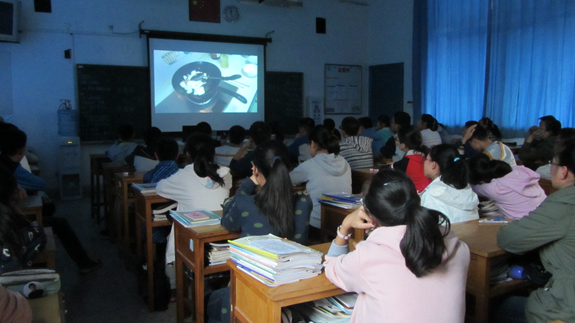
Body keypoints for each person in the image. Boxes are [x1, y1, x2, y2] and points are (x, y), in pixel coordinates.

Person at [323, 170, 470, 322]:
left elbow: (331, 267)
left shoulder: (368, 257)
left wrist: (346, 225)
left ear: (370, 215)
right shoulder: (460, 249)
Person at [209, 140, 312, 323]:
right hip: (289, 286)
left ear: (255, 169)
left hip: (248, 289)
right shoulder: (303, 203)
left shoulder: (245, 203)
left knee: (211, 300)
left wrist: (247, 184)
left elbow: (227, 222)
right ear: (288, 168)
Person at [0, 127, 102, 274]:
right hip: (8, 226)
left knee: (49, 210)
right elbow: (39, 185)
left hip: (8, 221)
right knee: (59, 222)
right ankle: (84, 262)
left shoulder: (4, 165)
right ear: (22, 151)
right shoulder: (10, 168)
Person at [495, 138, 575, 323]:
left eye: (552, 163)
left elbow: (508, 239)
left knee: (504, 306)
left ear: (563, 171)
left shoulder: (564, 204)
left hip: (565, 310)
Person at [156, 133, 232, 264]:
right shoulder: (226, 173)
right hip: (221, 240)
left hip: (192, 242)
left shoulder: (183, 176)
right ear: (213, 153)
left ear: (187, 154)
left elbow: (159, 188)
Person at [290, 125, 352, 237]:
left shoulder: (310, 165)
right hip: (343, 223)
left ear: (313, 144)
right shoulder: (345, 163)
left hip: (317, 225)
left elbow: (288, 179)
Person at [468, 154, 546, 219]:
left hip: (524, 224)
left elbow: (472, 188)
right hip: (547, 214)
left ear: (482, 181)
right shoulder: (520, 170)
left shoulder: (495, 188)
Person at [421, 144, 479, 224]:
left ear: (433, 164)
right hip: (473, 235)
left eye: (425, 159)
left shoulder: (431, 194)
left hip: (447, 236)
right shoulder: (466, 188)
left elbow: (427, 228)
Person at [390, 126, 431, 193]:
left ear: (403, 145)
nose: (396, 142)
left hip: (419, 195)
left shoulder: (406, 161)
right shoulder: (425, 155)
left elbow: (386, 169)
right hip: (428, 191)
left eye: (397, 139)